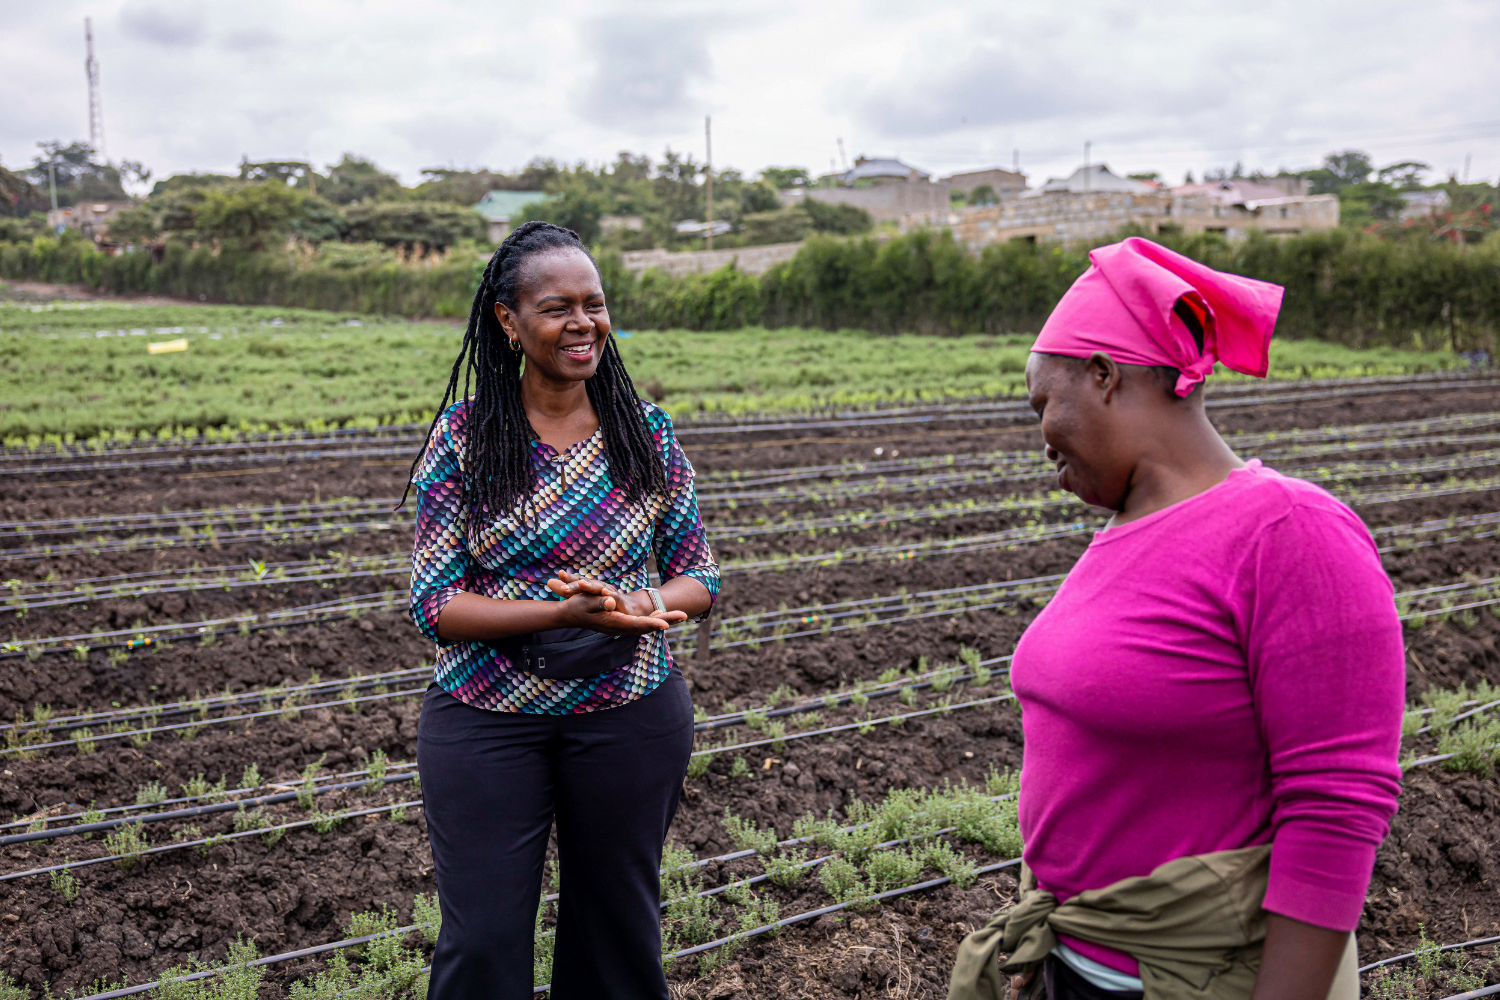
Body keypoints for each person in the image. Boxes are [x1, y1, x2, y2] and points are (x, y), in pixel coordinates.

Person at [948, 237, 1405, 1000]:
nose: (1042, 436)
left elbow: (1336, 806)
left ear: (1103, 375)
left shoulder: (1289, 531)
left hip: (1192, 979)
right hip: (1076, 961)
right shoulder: (1125, 530)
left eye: (1043, 404)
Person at [404, 221, 720, 1000]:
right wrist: (561, 616)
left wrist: (631, 605)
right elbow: (437, 604)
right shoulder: (466, 438)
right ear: (509, 323)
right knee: (481, 944)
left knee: (616, 931)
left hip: (629, 713)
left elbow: (700, 577)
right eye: (557, 308)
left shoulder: (645, 433)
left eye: (595, 304)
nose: (583, 324)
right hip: (487, 718)